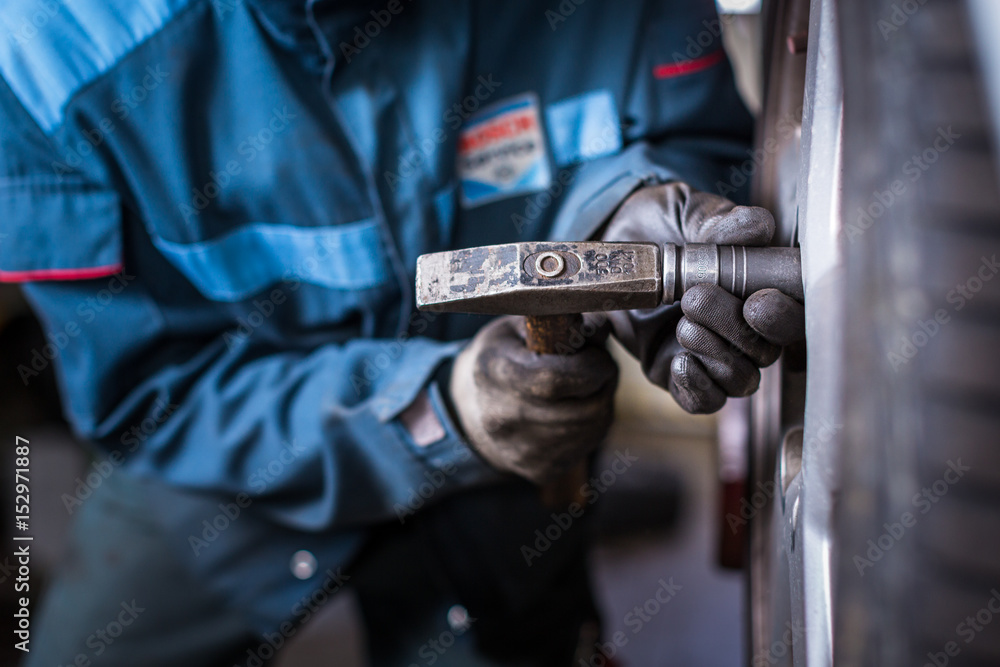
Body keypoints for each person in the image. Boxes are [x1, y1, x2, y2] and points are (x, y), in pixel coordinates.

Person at [0, 0, 802, 664]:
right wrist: (438, 411)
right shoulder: (47, 47)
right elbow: (145, 385)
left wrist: (640, 225)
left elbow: (700, 138)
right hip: (222, 451)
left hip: (523, 420)